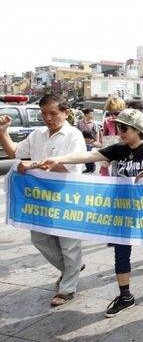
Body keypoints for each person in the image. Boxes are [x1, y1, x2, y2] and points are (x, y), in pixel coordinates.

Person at [31, 109, 143, 318]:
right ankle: (125, 296)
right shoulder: (119, 150)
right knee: (121, 252)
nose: (119, 132)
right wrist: (59, 159)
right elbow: (90, 155)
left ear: (138, 130)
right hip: (121, 210)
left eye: (124, 128)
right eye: (118, 127)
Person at [0, 94, 86, 306]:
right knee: (39, 238)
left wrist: (34, 164)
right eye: (44, 114)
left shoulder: (73, 136)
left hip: (67, 196)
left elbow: (69, 166)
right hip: (40, 197)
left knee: (69, 244)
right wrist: (3, 133)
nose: (48, 118)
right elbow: (15, 152)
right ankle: (70, 269)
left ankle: (67, 288)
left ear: (66, 112)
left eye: (53, 114)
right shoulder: (38, 134)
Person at [100, 98, 125, 176]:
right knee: (113, 176)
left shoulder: (128, 122)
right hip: (112, 153)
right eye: (111, 113)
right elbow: (104, 140)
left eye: (116, 113)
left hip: (126, 154)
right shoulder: (107, 122)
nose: (113, 116)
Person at [76, 108, 101, 173]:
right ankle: (88, 168)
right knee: (84, 155)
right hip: (82, 142)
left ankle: (92, 167)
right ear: (86, 114)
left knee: (89, 155)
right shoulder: (79, 123)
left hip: (90, 142)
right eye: (91, 114)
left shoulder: (94, 123)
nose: (92, 115)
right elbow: (77, 132)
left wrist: (97, 142)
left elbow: (97, 133)